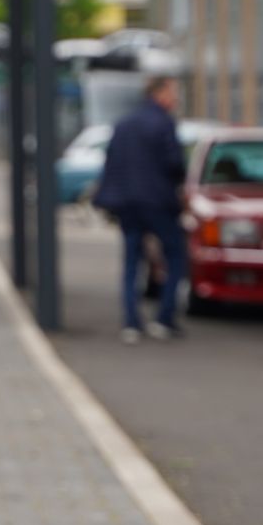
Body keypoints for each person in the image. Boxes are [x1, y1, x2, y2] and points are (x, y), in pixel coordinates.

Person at [95, 74, 188, 342]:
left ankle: (131, 323)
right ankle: (164, 318)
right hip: (158, 202)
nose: (176, 98)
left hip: (127, 203)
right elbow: (175, 164)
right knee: (175, 256)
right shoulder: (163, 123)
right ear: (159, 93)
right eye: (173, 92)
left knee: (131, 261)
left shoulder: (124, 123)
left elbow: (111, 161)